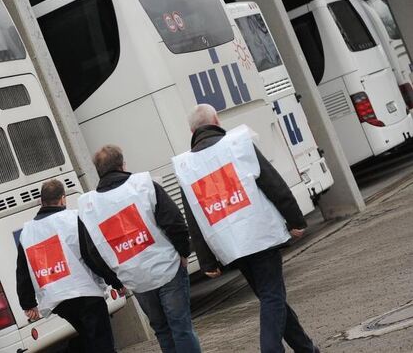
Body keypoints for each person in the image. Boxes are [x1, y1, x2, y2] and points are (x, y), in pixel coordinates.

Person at [173, 104, 320, 353]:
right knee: (272, 296)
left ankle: (306, 348)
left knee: (270, 297)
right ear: (216, 120)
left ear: (191, 130)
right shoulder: (238, 144)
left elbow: (194, 216)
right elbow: (273, 184)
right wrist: (295, 220)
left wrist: (208, 261)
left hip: (232, 246)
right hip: (261, 235)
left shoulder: (186, 166)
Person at [78, 146, 202, 353]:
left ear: (98, 171)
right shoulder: (144, 185)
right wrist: (183, 252)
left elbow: (92, 253)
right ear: (122, 165)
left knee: (162, 330)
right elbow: (175, 222)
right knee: (181, 327)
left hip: (136, 279)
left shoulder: (88, 206)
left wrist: (115, 280)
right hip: (167, 268)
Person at [16, 179, 117, 353]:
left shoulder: (27, 232)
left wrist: (28, 303)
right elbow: (91, 254)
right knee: (102, 343)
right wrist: (115, 281)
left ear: (42, 201)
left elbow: (23, 270)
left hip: (58, 300)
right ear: (63, 199)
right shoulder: (72, 218)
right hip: (86, 293)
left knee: (89, 341)